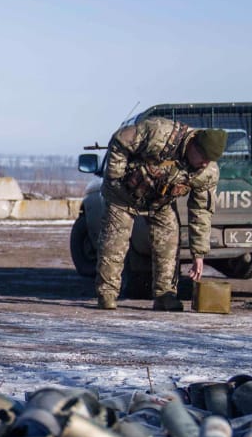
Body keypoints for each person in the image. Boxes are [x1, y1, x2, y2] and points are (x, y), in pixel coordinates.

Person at [95, 118, 227, 312]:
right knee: (114, 243)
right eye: (202, 156)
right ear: (193, 144)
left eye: (210, 160)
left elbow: (201, 212)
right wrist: (116, 176)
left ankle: (165, 296)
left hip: (159, 203)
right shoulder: (160, 132)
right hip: (122, 196)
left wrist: (198, 254)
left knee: (169, 244)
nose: (204, 163)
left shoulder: (207, 171)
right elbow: (120, 140)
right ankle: (107, 295)